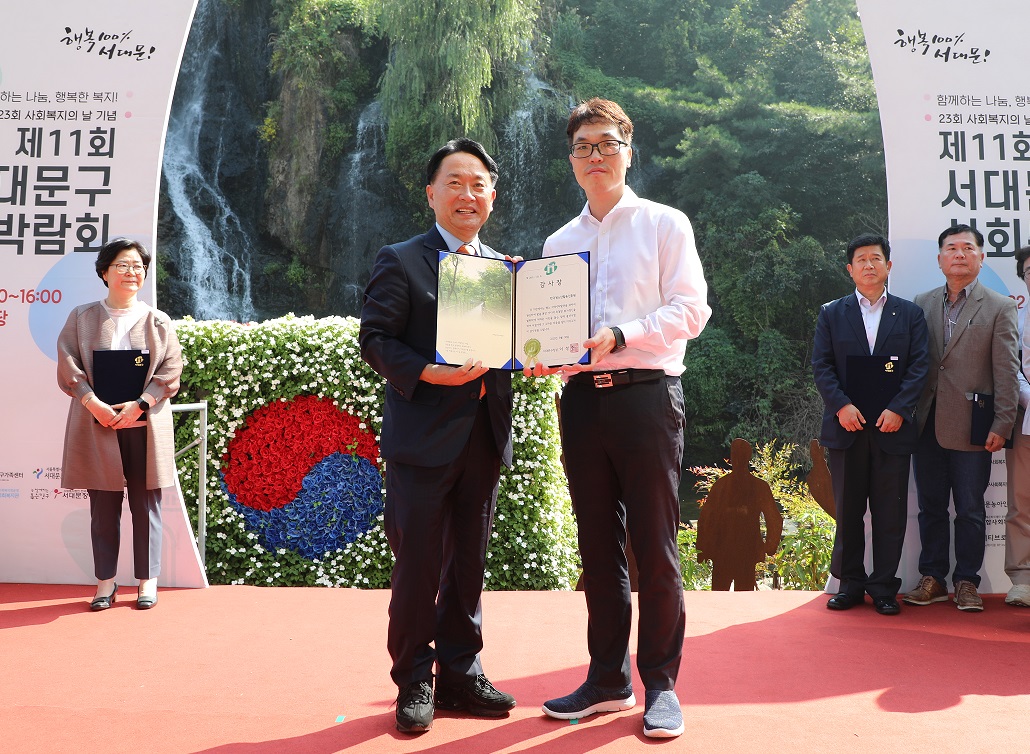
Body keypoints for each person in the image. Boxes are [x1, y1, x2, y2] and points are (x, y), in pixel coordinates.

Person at [526, 98, 711, 739]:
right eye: (583, 146)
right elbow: (554, 331)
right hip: (581, 402)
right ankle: (608, 678)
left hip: (647, 398)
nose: (595, 155)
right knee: (597, 548)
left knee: (655, 545)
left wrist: (622, 333)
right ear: (571, 160)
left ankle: (661, 685)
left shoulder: (664, 224)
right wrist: (541, 356)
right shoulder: (559, 243)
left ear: (629, 152)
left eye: (607, 143)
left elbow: (691, 311)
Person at [359, 138, 516, 734]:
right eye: (454, 182)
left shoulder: (505, 270)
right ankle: (414, 678)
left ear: (492, 197)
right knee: (418, 567)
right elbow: (375, 339)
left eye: (478, 184)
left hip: (482, 437)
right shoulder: (401, 259)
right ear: (431, 194)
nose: (466, 194)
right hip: (422, 440)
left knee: (468, 566)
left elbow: (516, 349)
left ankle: (460, 672)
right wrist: (430, 372)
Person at [57, 237, 183, 611]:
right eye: (123, 265)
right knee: (103, 509)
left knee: (147, 506)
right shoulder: (82, 317)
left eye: (138, 267)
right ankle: (105, 583)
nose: (132, 272)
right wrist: (92, 404)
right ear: (104, 272)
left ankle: (147, 581)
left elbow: (171, 370)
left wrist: (140, 405)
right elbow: (68, 365)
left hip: (144, 426)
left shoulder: (158, 320)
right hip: (98, 424)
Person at [811, 233, 929, 615]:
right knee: (848, 511)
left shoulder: (909, 314)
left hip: (892, 428)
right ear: (850, 269)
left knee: (889, 512)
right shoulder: (832, 313)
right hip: (847, 428)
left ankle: (883, 587)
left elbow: (919, 367)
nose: (868, 265)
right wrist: (841, 406)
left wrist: (900, 409)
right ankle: (849, 584)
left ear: (888, 266)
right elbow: (822, 366)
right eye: (861, 259)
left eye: (875, 258)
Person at [904, 224, 1019, 611]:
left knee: (970, 509)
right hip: (926, 423)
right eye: (951, 248)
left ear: (981, 258)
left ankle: (967, 581)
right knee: (930, 507)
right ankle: (933, 578)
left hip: (975, 425)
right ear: (939, 259)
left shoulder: (1000, 306)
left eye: (967, 248)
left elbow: (1007, 370)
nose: (959, 254)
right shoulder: (921, 302)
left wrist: (1003, 423)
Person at [696, 438, 783, 591]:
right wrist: (703, 548)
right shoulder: (721, 486)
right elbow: (706, 519)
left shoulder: (758, 487)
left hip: (746, 551)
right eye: (735, 455)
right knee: (719, 594)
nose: (737, 459)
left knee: (743, 594)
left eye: (740, 455)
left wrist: (770, 545)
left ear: (747, 457)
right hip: (722, 550)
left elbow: (774, 519)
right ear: (731, 457)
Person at [1004, 245, 1030, 607]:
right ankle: (1023, 579)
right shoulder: (1014, 318)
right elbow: (1009, 367)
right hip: (1026, 417)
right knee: (1021, 502)